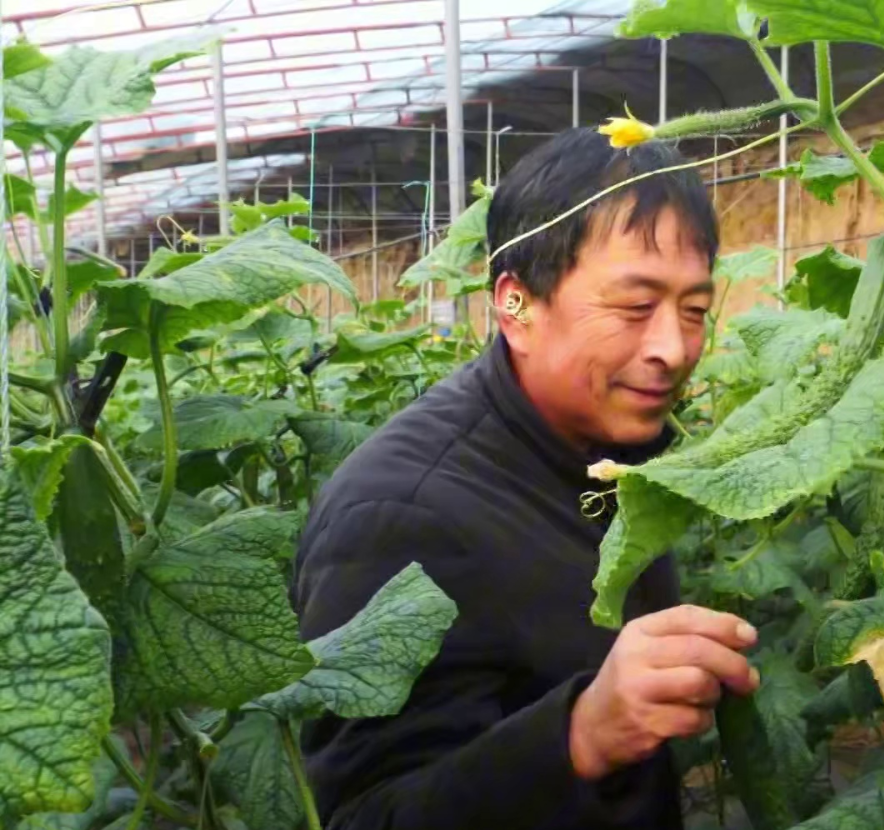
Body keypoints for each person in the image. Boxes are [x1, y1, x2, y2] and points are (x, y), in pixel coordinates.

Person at [290, 127, 759, 830]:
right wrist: (581, 736)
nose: (673, 347)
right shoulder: (402, 515)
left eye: (694, 311)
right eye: (635, 307)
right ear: (517, 306)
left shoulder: (611, 451)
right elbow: (362, 816)